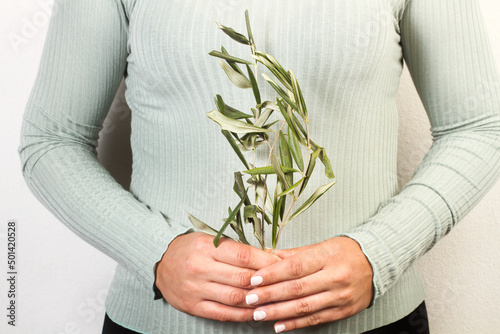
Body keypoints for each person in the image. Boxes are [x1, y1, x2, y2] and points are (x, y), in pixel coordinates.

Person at [18, 0, 500, 333]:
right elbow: (50, 140)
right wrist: (156, 253)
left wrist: (378, 253)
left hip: (371, 325)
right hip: (164, 327)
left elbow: (479, 126)